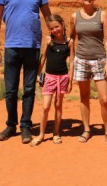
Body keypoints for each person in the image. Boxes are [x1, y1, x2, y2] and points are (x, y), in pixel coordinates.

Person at [0, 0, 51, 144]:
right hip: (11, 46)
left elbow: (48, 16)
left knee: (28, 89)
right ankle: (11, 125)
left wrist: (56, 38)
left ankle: (25, 126)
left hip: (32, 47)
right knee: (10, 90)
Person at [69, 0, 107, 147]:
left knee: (104, 99)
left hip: (99, 60)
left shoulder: (102, 15)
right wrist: (72, 61)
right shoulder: (74, 17)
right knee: (84, 97)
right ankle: (87, 129)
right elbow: (71, 40)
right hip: (81, 60)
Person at [30, 14, 75, 146]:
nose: (55, 30)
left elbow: (72, 61)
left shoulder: (69, 42)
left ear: (62, 25)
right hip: (49, 77)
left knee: (58, 105)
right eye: (52, 28)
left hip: (63, 77)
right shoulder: (49, 41)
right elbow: (43, 58)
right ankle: (41, 134)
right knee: (45, 107)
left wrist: (70, 80)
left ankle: (56, 133)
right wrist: (39, 74)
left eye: (57, 26)